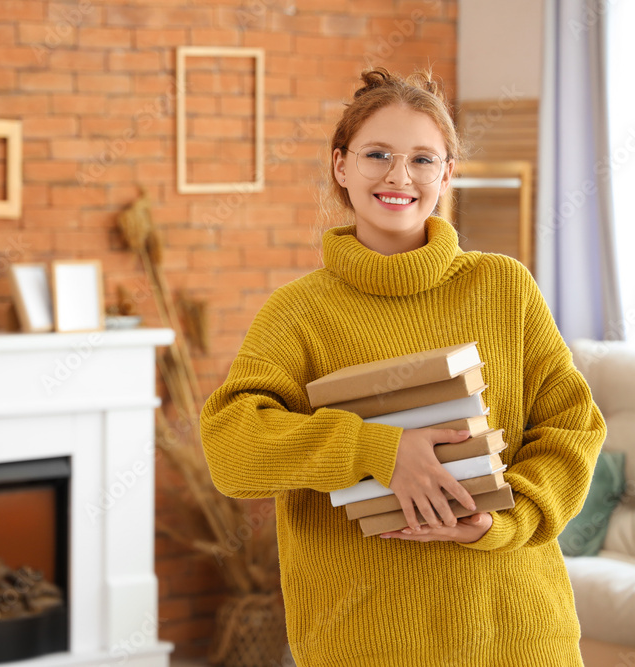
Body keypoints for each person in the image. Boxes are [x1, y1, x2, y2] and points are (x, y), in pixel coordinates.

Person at [199, 67, 606, 666]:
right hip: (367, 644)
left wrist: (506, 519)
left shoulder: (504, 287)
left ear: (447, 174)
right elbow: (230, 449)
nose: (399, 176)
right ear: (341, 166)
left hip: (518, 634)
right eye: (377, 154)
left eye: (422, 159)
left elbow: (575, 428)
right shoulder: (298, 313)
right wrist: (377, 451)